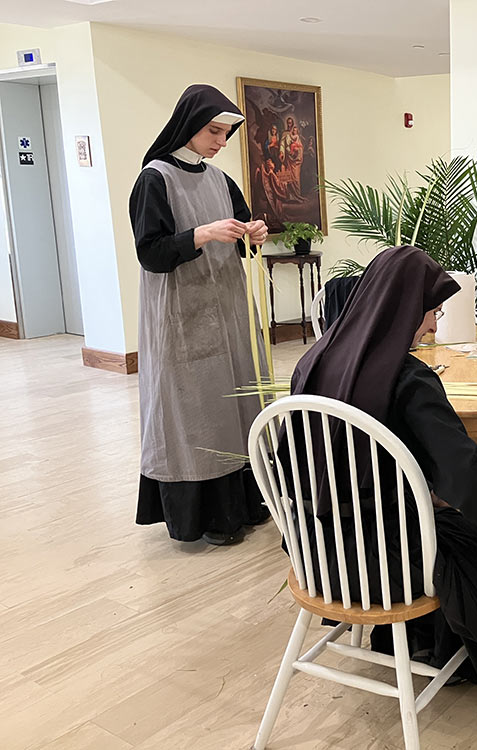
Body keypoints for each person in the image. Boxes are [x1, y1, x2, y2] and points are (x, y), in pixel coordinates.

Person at [284, 245, 477, 717]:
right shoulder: (410, 380)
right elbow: (464, 475)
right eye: (432, 312)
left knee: (451, 516)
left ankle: (425, 640)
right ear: (404, 310)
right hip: (380, 558)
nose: (435, 326)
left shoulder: (314, 360)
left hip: (319, 546)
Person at [129, 84, 270, 546]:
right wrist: (202, 233)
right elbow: (150, 253)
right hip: (181, 314)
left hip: (227, 309)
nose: (221, 143)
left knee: (237, 402)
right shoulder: (154, 180)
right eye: (214, 132)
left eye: (226, 134)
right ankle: (205, 518)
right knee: (195, 409)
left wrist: (255, 234)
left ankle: (248, 504)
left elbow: (244, 242)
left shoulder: (220, 180)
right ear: (189, 126)